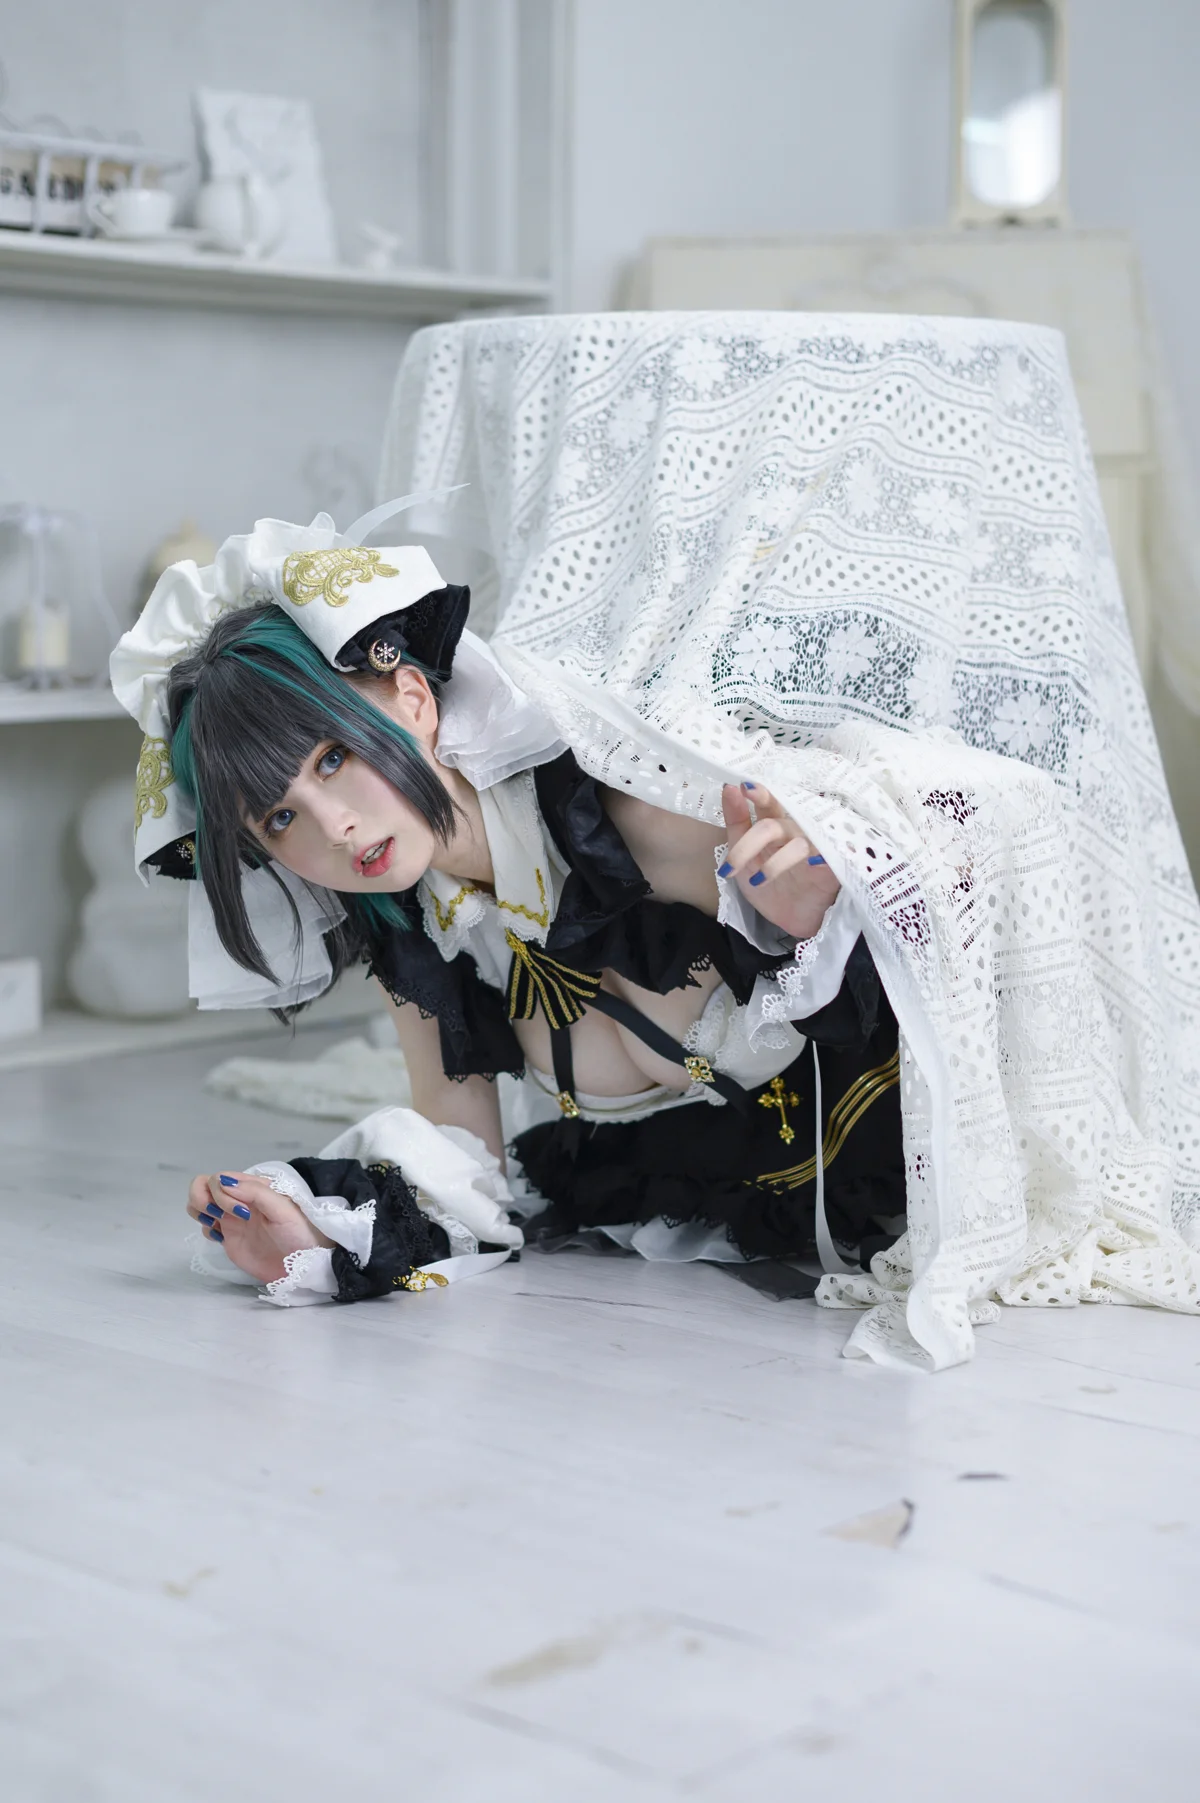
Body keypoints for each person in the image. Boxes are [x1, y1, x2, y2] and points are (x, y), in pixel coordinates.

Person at [111, 516, 904, 1309]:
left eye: (333, 758)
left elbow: (919, 942)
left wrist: (815, 923)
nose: (335, 827)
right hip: (697, 1238)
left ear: (413, 697)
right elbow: (465, 1162)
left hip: (891, 1159)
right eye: (280, 817)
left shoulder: (632, 814)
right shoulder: (420, 936)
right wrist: (322, 1236)